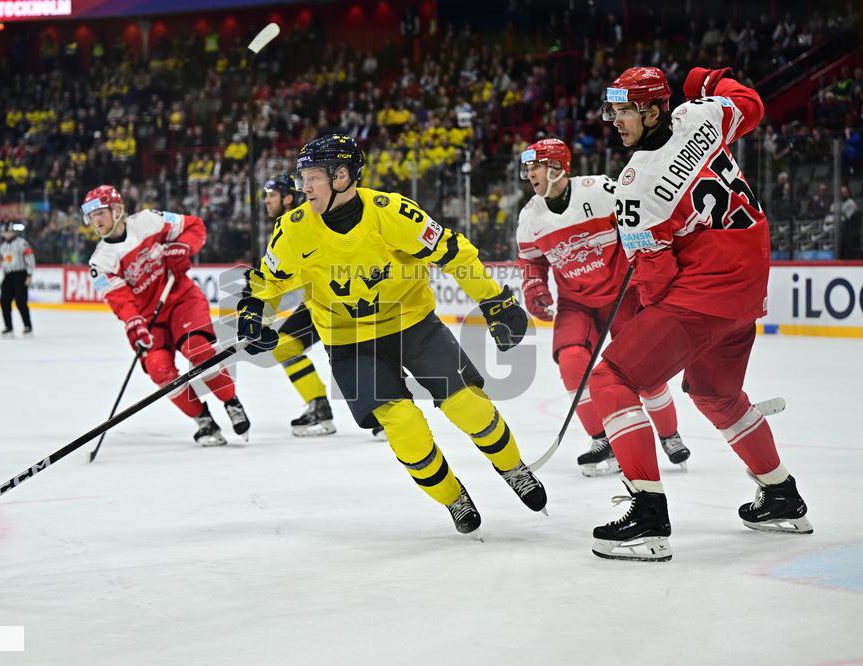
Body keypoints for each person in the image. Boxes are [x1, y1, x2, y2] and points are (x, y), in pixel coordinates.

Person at [238, 133, 547, 535]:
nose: (305, 186)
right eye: (303, 177)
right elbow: (267, 280)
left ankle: (513, 469)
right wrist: (251, 313)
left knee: (467, 405)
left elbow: (453, 252)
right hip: (348, 340)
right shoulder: (294, 228)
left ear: (343, 175)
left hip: (413, 324)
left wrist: (495, 302)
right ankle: (453, 497)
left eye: (314, 176)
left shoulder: (392, 212)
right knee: (403, 426)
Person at [591, 66, 812, 561]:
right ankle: (781, 495)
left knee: (611, 378)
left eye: (625, 110)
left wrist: (649, 322)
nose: (615, 121)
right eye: (613, 110)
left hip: (703, 296)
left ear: (651, 110)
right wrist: (704, 79)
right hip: (747, 288)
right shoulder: (702, 115)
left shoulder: (635, 182)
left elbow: (654, 278)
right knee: (716, 394)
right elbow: (750, 103)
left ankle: (648, 517)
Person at [516, 138, 689, 477]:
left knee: (643, 369)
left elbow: (638, 222)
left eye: (535, 166)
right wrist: (533, 283)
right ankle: (602, 438)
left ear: (556, 168)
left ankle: (669, 434)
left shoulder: (601, 191)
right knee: (571, 363)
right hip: (576, 301)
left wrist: (647, 263)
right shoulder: (530, 216)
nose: (530, 174)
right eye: (528, 168)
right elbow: (531, 259)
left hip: (624, 293)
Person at [83, 185, 250, 446]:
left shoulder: (149, 220)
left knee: (198, 349)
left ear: (116, 210)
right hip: (148, 320)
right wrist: (134, 323)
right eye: (92, 216)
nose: (96, 221)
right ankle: (203, 420)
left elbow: (195, 226)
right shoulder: (100, 262)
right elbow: (120, 300)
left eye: (100, 213)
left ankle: (231, 401)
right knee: (159, 369)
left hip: (181, 299)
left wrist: (183, 246)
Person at [260, 174, 337, 437]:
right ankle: (319, 407)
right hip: (319, 301)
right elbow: (279, 278)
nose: (266, 201)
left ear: (288, 198)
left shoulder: (306, 220)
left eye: (271, 195)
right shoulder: (289, 225)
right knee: (285, 345)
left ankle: (387, 410)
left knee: (359, 353)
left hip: (344, 299)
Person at [0, 221, 34, 337]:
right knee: (4, 301)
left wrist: (29, 274)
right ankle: (8, 327)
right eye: (5, 232)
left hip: (20, 274)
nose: (7, 234)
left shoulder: (22, 243)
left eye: (9, 231)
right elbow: (3, 263)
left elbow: (30, 258)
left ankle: (27, 326)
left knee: (21, 301)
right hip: (8, 275)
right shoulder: (2, 247)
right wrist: (3, 277)